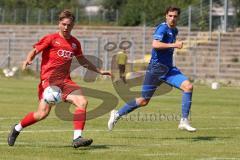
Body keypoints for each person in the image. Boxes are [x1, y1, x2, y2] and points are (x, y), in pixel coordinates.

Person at [7, 10, 111, 148]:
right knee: (41, 114)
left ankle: (77, 138)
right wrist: (28, 59)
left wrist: (99, 71)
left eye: (69, 25)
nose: (66, 27)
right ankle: (17, 129)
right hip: (49, 81)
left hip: (65, 81)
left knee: (82, 102)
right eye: (64, 24)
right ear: (59, 24)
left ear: (73, 25)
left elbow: (82, 60)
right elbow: (35, 50)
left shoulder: (75, 43)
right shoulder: (51, 38)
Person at [108, 6, 196, 132]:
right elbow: (155, 44)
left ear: (178, 17)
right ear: (166, 16)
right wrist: (174, 45)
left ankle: (184, 121)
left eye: (175, 16)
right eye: (170, 16)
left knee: (188, 87)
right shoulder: (162, 28)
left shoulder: (175, 30)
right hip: (155, 70)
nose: (172, 18)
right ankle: (117, 114)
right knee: (143, 101)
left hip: (169, 70)